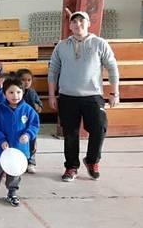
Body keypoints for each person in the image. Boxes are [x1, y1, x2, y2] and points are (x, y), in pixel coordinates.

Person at [48, 11, 119, 182]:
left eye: (81, 21)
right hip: (67, 97)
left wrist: (114, 92)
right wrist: (52, 95)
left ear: (88, 23)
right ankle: (71, 166)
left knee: (99, 128)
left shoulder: (99, 43)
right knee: (70, 134)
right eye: (74, 21)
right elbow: (53, 71)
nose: (77, 24)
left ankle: (92, 160)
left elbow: (112, 67)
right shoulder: (61, 46)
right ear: (70, 26)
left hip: (93, 96)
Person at [0, 77, 40, 207]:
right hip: (2, 150)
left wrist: (28, 135)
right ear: (4, 94)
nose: (15, 95)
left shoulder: (28, 110)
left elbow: (34, 125)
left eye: (18, 92)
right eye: (11, 92)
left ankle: (12, 193)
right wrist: (1, 140)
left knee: (15, 173)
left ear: (23, 92)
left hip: (19, 150)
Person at [17, 68, 43, 174]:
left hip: (30, 123)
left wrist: (37, 107)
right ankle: (21, 162)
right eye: (23, 80)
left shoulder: (32, 93)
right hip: (19, 123)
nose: (26, 82)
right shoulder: (17, 92)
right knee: (19, 142)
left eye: (29, 80)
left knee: (32, 142)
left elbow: (40, 107)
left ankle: (31, 162)